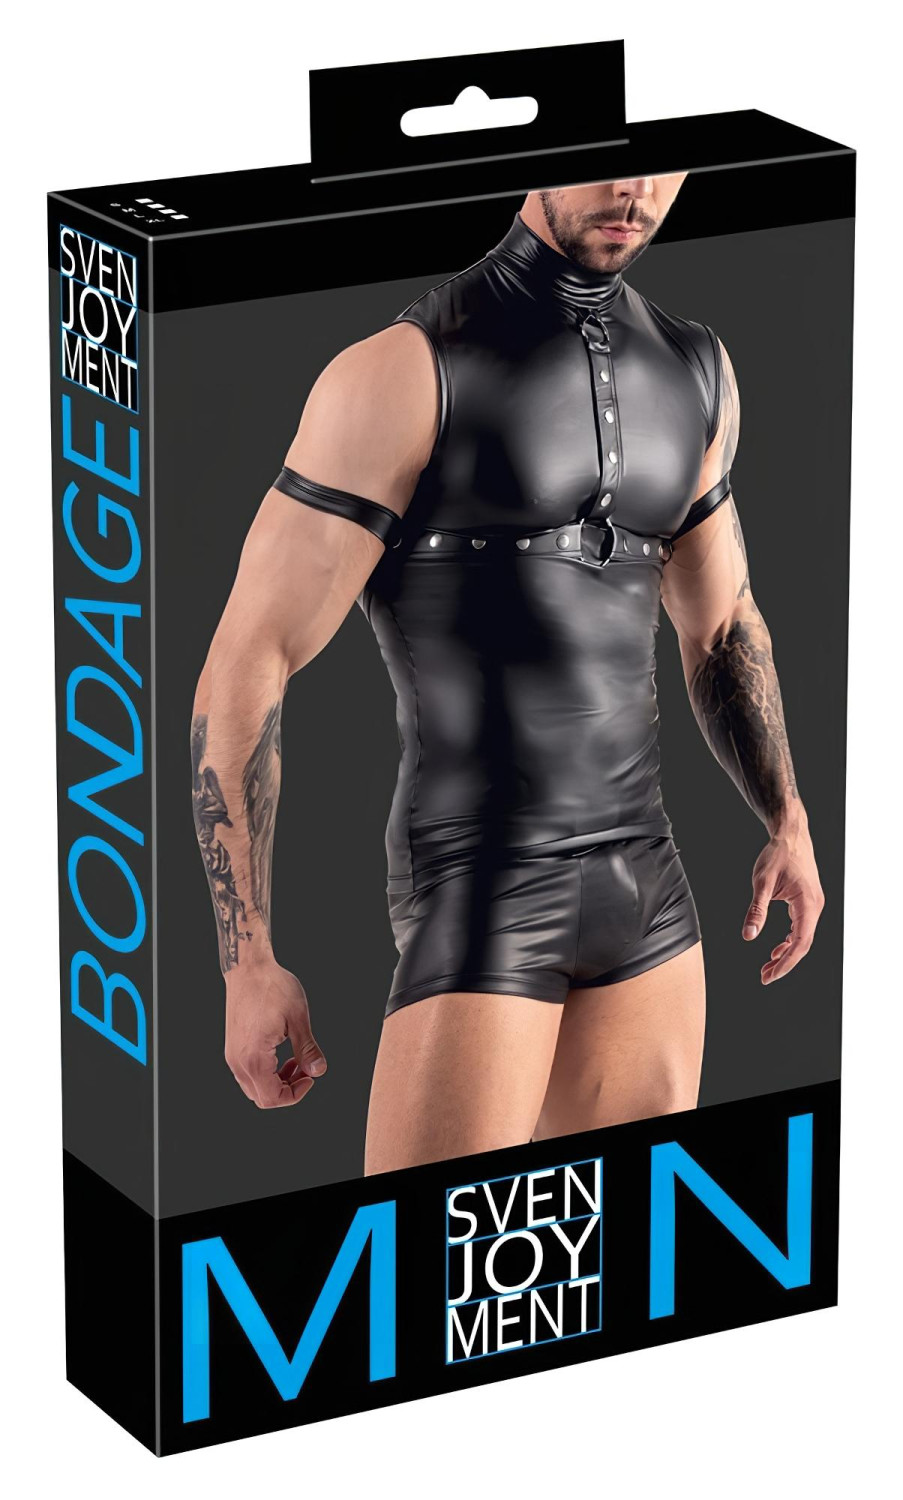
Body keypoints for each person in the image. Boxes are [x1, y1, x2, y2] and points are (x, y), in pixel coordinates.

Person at [191, 175, 824, 1171]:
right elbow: (248, 657)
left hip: (647, 883)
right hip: (483, 879)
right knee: (428, 1257)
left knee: (628, 1247)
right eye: (604, 159)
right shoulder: (405, 370)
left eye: (661, 163)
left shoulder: (696, 369)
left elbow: (721, 626)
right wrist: (247, 960)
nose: (632, 188)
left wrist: (787, 818)